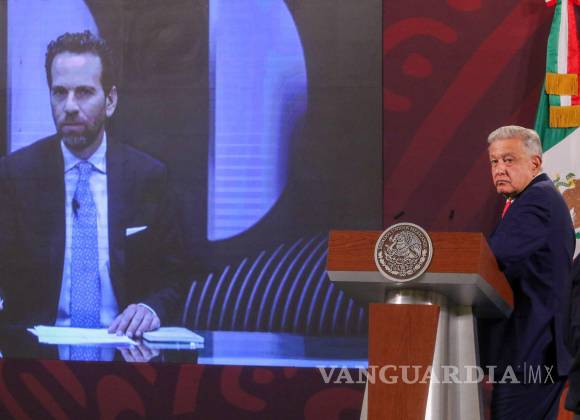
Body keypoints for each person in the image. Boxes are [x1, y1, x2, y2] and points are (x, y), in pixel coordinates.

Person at [0, 31, 186, 339]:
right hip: (38, 350)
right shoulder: (15, 175)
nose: (70, 106)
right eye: (60, 93)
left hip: (124, 346)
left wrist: (150, 309)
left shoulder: (148, 177)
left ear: (110, 100)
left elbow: (174, 276)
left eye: (84, 92)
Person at [478, 125, 575, 419]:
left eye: (509, 160)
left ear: (535, 163)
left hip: (531, 351)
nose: (499, 169)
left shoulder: (537, 200)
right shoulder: (534, 198)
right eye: (494, 161)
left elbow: (491, 260)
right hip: (534, 350)